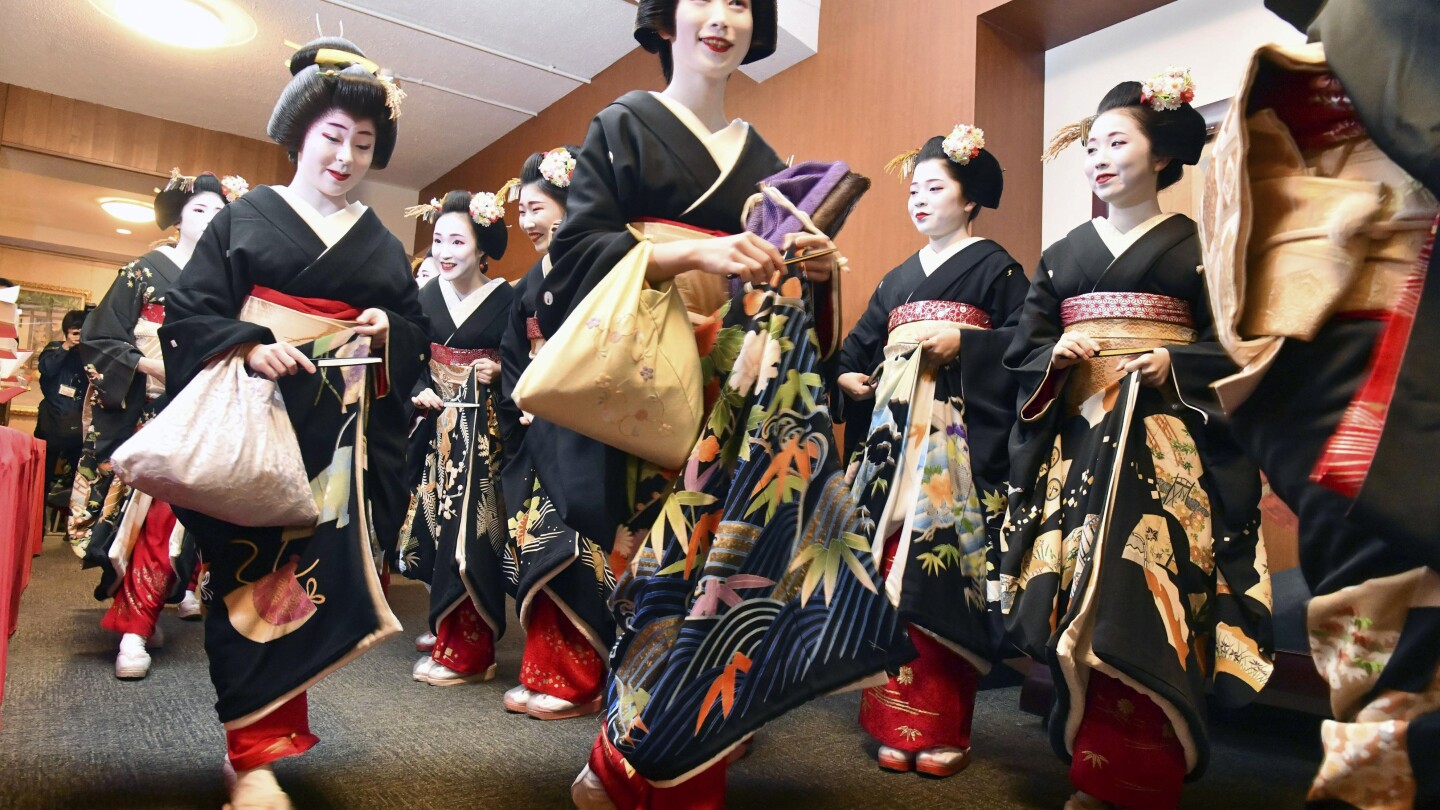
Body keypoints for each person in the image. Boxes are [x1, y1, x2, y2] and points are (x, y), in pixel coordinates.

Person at [542, 3, 903, 807]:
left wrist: (811, 275)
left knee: (719, 572)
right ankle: (642, 761)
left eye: (743, 1)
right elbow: (570, 261)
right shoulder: (624, 123)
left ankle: (638, 764)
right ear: (667, 17)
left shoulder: (765, 158)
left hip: (734, 394)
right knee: (652, 572)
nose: (724, 16)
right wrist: (687, 251)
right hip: (648, 379)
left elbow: (785, 306)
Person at [159, 38, 428, 809]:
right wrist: (248, 346)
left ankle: (262, 750)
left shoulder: (378, 240)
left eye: (364, 145)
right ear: (300, 137)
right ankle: (249, 756)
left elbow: (410, 328)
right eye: (333, 138)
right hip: (256, 423)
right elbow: (190, 314)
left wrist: (386, 330)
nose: (346, 157)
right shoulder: (247, 220)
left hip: (336, 436)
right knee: (245, 580)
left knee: (305, 589)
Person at [998, 69, 1274, 810]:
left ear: (1160, 156)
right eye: (1090, 145)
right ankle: (1093, 759)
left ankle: (1142, 770)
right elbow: (1023, 349)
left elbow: (1236, 346)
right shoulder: (1062, 255)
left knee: (1146, 594)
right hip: (1079, 443)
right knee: (1074, 594)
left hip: (1162, 449)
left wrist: (1174, 363)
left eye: (1117, 141)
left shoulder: (1199, 249)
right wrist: (1051, 361)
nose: (1098, 156)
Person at [1200, 3, 1440, 804]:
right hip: (1349, 325)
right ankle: (1374, 754)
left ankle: (1374, 756)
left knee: (1386, 560)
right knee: (1373, 555)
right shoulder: (1365, 16)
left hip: (1397, 309)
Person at [838, 126, 1027, 777]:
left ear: (970, 197)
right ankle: (890, 721)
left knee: (940, 569)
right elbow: (856, 347)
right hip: (894, 440)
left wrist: (967, 346)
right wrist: (848, 376)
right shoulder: (896, 278)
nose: (919, 199)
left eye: (935, 187)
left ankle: (944, 727)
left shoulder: (997, 267)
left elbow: (1025, 345)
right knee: (884, 568)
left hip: (953, 443)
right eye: (913, 189)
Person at [70, 169, 241, 679]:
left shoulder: (229, 280)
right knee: (148, 520)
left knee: (186, 527)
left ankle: (143, 617)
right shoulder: (143, 270)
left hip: (204, 414)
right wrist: (148, 364)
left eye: (220, 213)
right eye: (199, 211)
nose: (211, 221)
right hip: (149, 414)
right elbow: (99, 340)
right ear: (178, 219)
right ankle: (134, 629)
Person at [495, 146, 615, 720]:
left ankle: (580, 679)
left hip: (585, 423)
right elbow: (514, 350)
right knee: (535, 542)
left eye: (537, 207)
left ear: (570, 206)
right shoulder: (527, 281)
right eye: (522, 210)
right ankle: (545, 671)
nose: (527, 220)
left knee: (573, 546)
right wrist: (521, 398)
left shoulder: (597, 262)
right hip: (539, 422)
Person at [398, 186, 515, 687]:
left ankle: (472, 648)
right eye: (438, 242)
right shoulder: (424, 296)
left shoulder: (509, 298)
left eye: (457, 243)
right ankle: (445, 629)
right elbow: (409, 359)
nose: (444, 253)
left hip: (485, 436)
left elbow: (527, 360)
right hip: (436, 432)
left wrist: (501, 370)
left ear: (482, 246)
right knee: (438, 530)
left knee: (475, 534)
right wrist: (419, 389)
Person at [35, 309, 87, 511]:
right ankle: (37, 529)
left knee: (79, 482)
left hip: (77, 428)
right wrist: (66, 346)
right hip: (51, 425)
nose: (78, 336)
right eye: (75, 332)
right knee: (42, 480)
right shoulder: (54, 349)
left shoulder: (87, 355)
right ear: (67, 331)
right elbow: (46, 369)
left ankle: (73, 529)